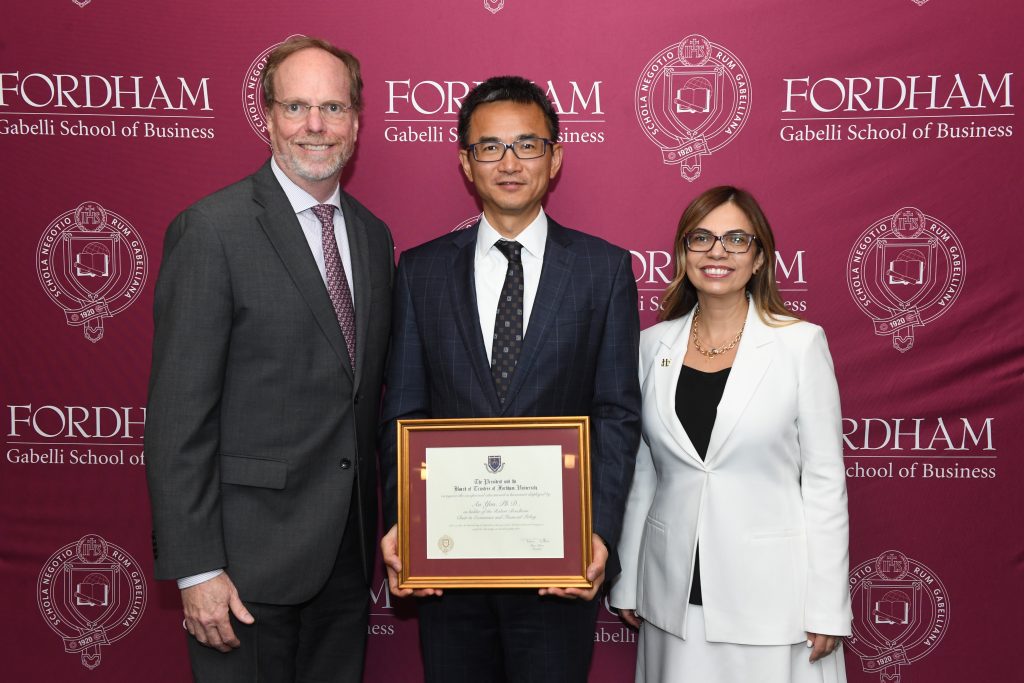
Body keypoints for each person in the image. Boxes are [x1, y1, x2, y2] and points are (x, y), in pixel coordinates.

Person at [144, 36, 394, 682]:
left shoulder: (371, 235)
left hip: (345, 556)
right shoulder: (212, 231)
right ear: (267, 116)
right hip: (242, 567)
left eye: (334, 109)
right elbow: (178, 418)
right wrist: (197, 569)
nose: (316, 126)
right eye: (298, 107)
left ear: (357, 122)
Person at [378, 75, 642, 682]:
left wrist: (598, 532)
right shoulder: (419, 272)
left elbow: (616, 412)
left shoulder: (603, 270)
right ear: (466, 164)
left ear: (555, 157)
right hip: (449, 570)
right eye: (489, 147)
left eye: (527, 144)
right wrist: (403, 524)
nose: (509, 162)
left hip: (557, 570)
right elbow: (404, 413)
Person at [609, 186, 852, 683]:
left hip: (773, 603)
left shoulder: (799, 344)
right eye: (701, 238)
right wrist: (628, 581)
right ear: (683, 253)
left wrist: (828, 605)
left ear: (760, 257)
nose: (717, 251)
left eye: (736, 239)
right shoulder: (650, 345)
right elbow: (642, 476)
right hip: (672, 596)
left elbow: (826, 483)